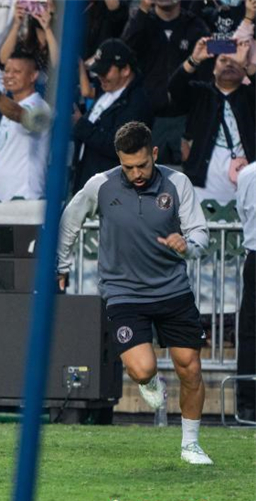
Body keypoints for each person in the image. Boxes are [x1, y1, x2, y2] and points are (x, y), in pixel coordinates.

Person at [57, 121, 213, 465]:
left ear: (154, 153)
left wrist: (187, 247)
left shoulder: (178, 183)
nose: (137, 173)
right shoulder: (101, 185)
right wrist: (61, 265)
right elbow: (70, 220)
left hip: (173, 290)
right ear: (119, 160)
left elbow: (200, 233)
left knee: (190, 369)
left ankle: (190, 444)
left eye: (142, 165)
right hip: (124, 292)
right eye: (128, 167)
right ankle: (150, 381)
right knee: (142, 370)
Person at [168, 37, 254, 208]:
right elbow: (175, 88)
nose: (229, 64)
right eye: (223, 60)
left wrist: (248, 64)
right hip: (203, 188)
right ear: (214, 69)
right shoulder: (200, 93)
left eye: (235, 60)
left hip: (250, 189)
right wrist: (194, 60)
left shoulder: (250, 96)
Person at [120, 0, 209, 165]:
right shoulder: (142, 21)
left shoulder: (195, 26)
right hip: (147, 117)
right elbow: (123, 52)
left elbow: (206, 75)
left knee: (183, 183)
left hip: (185, 118)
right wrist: (144, 8)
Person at [72, 39, 153, 193]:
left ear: (125, 70)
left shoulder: (137, 104)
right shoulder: (105, 91)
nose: (100, 77)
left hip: (113, 192)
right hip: (88, 181)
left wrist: (81, 124)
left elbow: (119, 146)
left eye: (105, 72)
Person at [0, 52, 50, 201]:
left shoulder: (40, 107)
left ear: (33, 76)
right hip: (3, 197)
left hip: (27, 197)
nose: (9, 76)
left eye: (17, 72)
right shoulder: (7, 107)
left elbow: (18, 114)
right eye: (6, 71)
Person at [235, 162, 255, 421]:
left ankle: (249, 404)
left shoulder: (248, 174)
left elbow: (242, 212)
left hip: (255, 256)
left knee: (251, 333)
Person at [0, 1, 58, 75]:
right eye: (33, 5)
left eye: (43, 5)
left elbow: (58, 66)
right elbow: (3, 61)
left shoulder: (63, 38)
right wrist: (16, 24)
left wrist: (47, 29)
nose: (37, 10)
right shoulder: (26, 42)